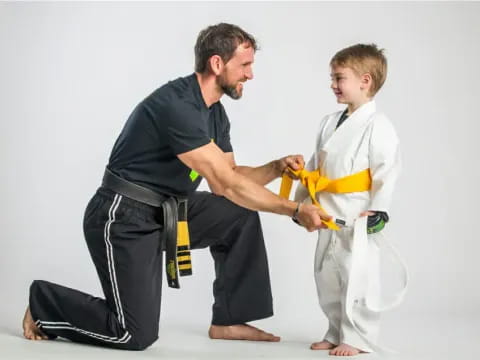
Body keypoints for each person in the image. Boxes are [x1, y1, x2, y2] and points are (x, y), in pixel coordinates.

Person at [22, 23, 330, 350]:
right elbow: (226, 183)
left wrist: (275, 167)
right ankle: (44, 303)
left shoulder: (215, 114)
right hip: (123, 216)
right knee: (133, 334)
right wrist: (294, 210)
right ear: (216, 64)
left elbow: (228, 177)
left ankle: (228, 319)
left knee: (238, 214)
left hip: (169, 209)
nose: (250, 75)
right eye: (244, 65)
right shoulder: (178, 106)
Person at [293, 44, 403, 356]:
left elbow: (387, 170)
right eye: (332, 78)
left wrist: (380, 209)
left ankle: (358, 336)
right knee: (326, 275)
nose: (332, 84)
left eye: (339, 78)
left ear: (365, 81)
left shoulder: (378, 125)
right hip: (326, 210)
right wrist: (301, 205)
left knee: (358, 276)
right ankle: (334, 328)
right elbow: (315, 167)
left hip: (357, 214)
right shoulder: (329, 122)